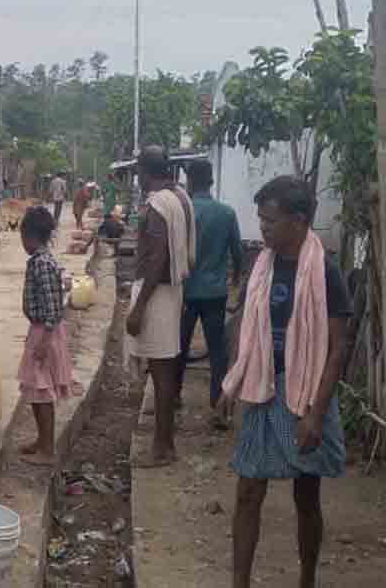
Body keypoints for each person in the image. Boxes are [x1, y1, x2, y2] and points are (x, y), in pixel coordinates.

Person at [223, 176, 350, 588]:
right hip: (262, 387)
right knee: (247, 491)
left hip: (305, 393)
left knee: (306, 496)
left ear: (298, 221)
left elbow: (337, 348)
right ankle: (239, 582)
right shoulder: (261, 264)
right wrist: (233, 379)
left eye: (269, 220)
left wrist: (315, 414)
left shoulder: (324, 272)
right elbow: (243, 322)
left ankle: (307, 579)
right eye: (260, 219)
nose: (262, 227)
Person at [125, 145, 195, 468]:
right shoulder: (180, 198)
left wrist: (139, 307)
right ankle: (163, 443)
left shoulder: (157, 205)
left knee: (162, 372)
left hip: (157, 295)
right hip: (172, 291)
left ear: (143, 171)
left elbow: (156, 259)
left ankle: (163, 447)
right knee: (163, 369)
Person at [178, 160, 244, 429]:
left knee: (178, 347)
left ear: (190, 181)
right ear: (212, 181)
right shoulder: (226, 213)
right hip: (215, 292)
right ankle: (218, 404)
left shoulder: (184, 212)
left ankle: (172, 396)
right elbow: (237, 254)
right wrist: (236, 277)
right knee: (218, 351)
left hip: (185, 291)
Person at [18, 206, 74, 465]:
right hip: (40, 330)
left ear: (30, 236)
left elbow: (54, 307)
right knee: (35, 390)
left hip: (45, 332)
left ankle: (47, 448)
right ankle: (41, 440)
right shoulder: (44, 261)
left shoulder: (42, 264)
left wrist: (43, 341)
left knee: (42, 392)